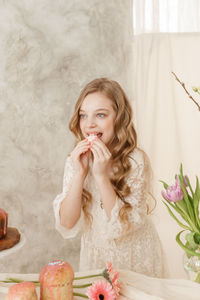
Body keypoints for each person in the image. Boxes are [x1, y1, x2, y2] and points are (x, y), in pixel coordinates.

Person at [53, 78, 164, 277]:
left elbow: (120, 227)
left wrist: (101, 177)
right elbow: (67, 223)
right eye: (83, 116)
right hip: (96, 257)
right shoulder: (77, 160)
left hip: (134, 256)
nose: (89, 124)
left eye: (101, 115)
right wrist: (79, 173)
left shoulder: (135, 161)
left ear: (119, 118)